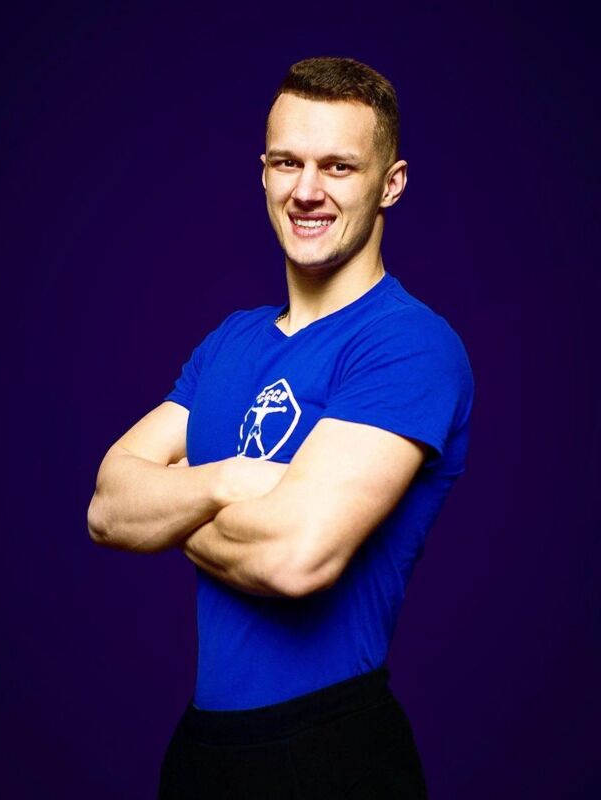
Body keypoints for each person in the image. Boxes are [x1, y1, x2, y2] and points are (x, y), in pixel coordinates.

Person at [87, 56, 474, 799]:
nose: (306, 190)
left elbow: (294, 559)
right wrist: (232, 480)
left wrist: (171, 504)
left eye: (338, 166)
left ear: (390, 183)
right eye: (286, 162)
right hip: (203, 748)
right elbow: (106, 507)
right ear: (263, 173)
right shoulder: (229, 341)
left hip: (327, 751)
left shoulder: (408, 344)